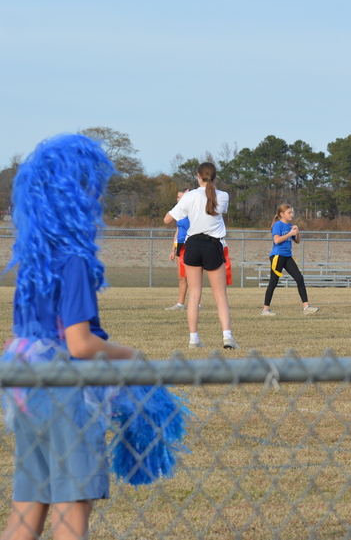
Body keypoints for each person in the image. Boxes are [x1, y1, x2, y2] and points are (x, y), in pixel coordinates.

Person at [1, 134, 138, 540]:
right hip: (67, 397)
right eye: (92, 188)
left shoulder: (32, 262)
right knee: (72, 508)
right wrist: (128, 354)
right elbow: (79, 343)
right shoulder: (74, 261)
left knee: (26, 511)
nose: (99, 197)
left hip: (30, 393)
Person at [163, 162, 239, 350]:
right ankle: (227, 337)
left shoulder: (189, 197)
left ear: (198, 176)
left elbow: (167, 219)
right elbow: (216, 209)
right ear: (215, 177)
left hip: (193, 245)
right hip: (213, 245)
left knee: (194, 295)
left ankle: (194, 339)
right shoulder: (223, 195)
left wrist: (183, 204)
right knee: (220, 295)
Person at [261, 204, 319, 316]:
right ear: (282, 214)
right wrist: (289, 234)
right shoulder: (278, 225)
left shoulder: (290, 226)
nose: (291, 214)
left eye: (292, 212)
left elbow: (297, 241)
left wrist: (297, 232)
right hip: (277, 256)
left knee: (299, 278)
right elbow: (277, 240)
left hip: (288, 256)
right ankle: (265, 310)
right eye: (289, 212)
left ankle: (306, 307)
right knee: (273, 282)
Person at [165, 188, 194, 312]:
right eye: (178, 197)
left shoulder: (193, 211)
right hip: (180, 244)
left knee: (193, 276)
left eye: (182, 197)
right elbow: (177, 232)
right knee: (182, 276)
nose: (179, 199)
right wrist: (173, 249)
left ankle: (196, 303)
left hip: (192, 244)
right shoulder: (178, 212)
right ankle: (180, 304)